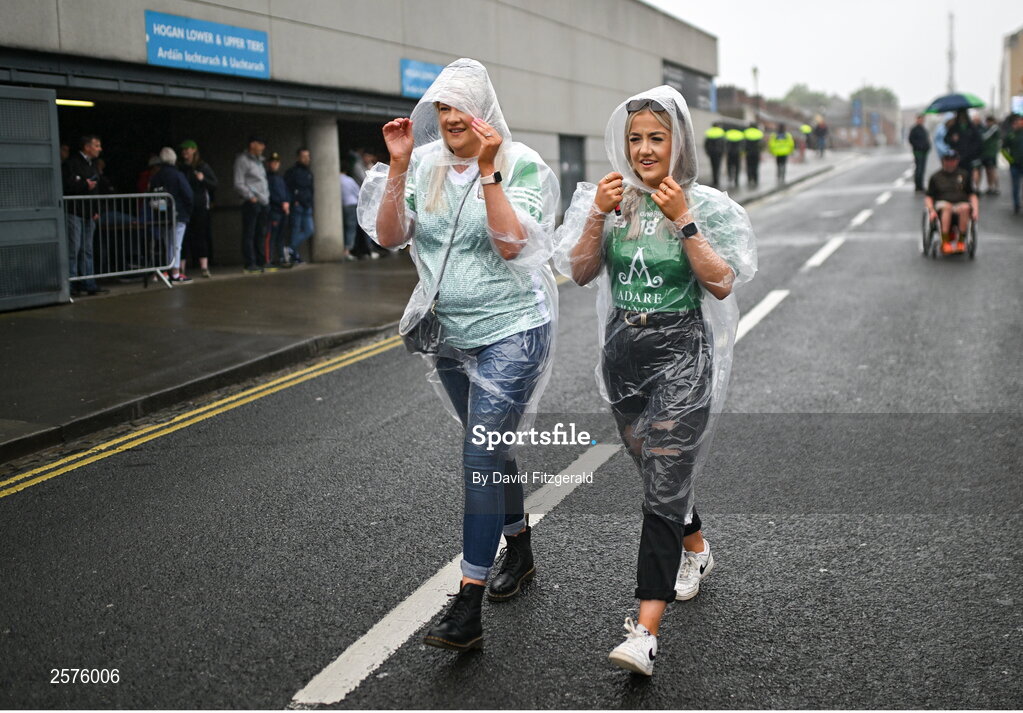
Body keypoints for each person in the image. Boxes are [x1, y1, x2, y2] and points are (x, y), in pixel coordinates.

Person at [554, 86, 756, 677]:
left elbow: (721, 282)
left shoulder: (704, 204)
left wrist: (684, 220)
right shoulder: (610, 199)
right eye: (635, 138)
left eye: (656, 138)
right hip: (625, 354)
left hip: (681, 354)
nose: (643, 149)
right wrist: (595, 214)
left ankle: (644, 629)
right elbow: (583, 270)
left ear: (679, 144)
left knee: (664, 480)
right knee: (654, 471)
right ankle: (694, 546)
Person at [360, 58, 560, 652]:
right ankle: (518, 547)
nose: (449, 118)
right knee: (490, 448)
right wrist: (398, 168)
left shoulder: (522, 163)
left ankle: (467, 602)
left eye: (459, 107)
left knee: (479, 452)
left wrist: (491, 170)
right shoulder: (423, 165)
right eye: (441, 107)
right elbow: (392, 234)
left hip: (513, 328)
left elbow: (513, 243)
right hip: (449, 332)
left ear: (484, 111)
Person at [62, 134, 107, 296]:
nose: (99, 149)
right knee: (74, 249)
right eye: (97, 145)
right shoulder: (71, 164)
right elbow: (67, 184)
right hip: (75, 212)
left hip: (89, 213)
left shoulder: (92, 165)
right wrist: (83, 185)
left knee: (87, 249)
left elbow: (96, 189)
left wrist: (97, 210)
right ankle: (73, 283)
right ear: (87, 147)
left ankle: (88, 282)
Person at [148, 147, 194, 282]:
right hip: (178, 214)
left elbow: (152, 197)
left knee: (166, 243)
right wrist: (186, 211)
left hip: (161, 216)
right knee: (176, 244)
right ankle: (175, 272)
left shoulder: (156, 177)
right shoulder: (178, 175)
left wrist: (163, 210)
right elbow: (188, 195)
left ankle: (167, 271)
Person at [178, 139, 218, 278]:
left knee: (201, 236)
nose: (185, 152)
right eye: (183, 150)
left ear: (194, 150)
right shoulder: (181, 168)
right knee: (184, 238)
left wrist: (203, 179)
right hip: (185, 207)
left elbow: (214, 183)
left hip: (200, 206)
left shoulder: (202, 166)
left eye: (187, 149)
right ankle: (181, 269)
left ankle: (204, 267)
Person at [925, 150, 979, 254]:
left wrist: (975, 210)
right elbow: (929, 197)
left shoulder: (964, 175)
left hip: (960, 204)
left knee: (965, 207)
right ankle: (945, 242)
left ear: (957, 161)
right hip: (942, 204)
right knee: (947, 207)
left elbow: (972, 194)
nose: (950, 162)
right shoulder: (936, 177)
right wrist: (931, 210)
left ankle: (961, 242)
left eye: (952, 160)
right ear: (943, 161)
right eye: (947, 160)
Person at [233, 136, 270, 273]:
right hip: (251, 202)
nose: (263, 147)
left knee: (261, 233)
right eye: (261, 144)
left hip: (263, 201)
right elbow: (238, 183)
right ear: (252, 144)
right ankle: (250, 263)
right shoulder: (243, 160)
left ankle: (261, 261)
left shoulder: (259, 162)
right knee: (249, 233)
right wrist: (251, 197)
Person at [285, 147, 314, 264]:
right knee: (295, 230)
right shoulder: (292, 172)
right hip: (297, 205)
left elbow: (311, 189)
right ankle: (293, 255)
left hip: (307, 205)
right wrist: (293, 200)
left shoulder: (309, 172)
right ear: (298, 157)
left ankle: (290, 249)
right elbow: (287, 188)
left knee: (309, 230)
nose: (306, 159)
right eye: (304, 157)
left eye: (308, 156)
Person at [266, 152, 291, 270]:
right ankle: (269, 259)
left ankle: (281, 258)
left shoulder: (280, 178)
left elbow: (286, 192)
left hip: (282, 211)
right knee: (272, 236)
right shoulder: (267, 178)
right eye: (273, 162)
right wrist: (281, 203)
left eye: (277, 163)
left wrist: (287, 203)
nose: (275, 165)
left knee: (281, 236)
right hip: (274, 210)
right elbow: (270, 194)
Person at [947, 110, 982, 187]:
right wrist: (952, 140)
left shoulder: (972, 127)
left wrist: (973, 151)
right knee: (958, 173)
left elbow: (978, 140)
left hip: (969, 155)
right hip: (959, 154)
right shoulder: (954, 128)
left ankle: (969, 187)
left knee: (969, 173)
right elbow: (947, 139)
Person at [339, 164, 360, 261]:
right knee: (351, 228)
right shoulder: (349, 180)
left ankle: (343, 249)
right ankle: (347, 250)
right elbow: (358, 192)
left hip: (340, 206)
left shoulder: (335, 179)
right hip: (351, 204)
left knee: (343, 227)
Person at [1003, 114, 1023, 214]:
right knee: (1016, 186)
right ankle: (1016, 205)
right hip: (1015, 165)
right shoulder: (1010, 135)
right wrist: (1010, 160)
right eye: (1016, 122)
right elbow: (1003, 149)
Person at [908, 115, 931, 192]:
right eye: (920, 119)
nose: (921, 120)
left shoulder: (924, 129)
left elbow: (927, 140)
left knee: (922, 169)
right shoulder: (914, 129)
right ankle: (917, 185)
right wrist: (919, 146)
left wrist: (927, 147)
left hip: (924, 152)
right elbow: (911, 140)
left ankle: (921, 185)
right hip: (918, 151)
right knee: (919, 168)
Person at [979, 115, 1001, 195]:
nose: (987, 123)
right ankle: (990, 187)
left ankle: (996, 187)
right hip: (986, 153)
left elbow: (985, 137)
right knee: (988, 171)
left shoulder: (994, 128)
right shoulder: (987, 128)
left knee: (992, 170)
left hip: (991, 153)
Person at [703, 122, 725, 187]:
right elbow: (723, 143)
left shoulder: (709, 132)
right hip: (719, 153)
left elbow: (706, 143)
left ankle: (714, 180)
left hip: (712, 153)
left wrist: (707, 151)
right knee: (718, 166)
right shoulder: (721, 132)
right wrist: (723, 151)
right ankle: (717, 180)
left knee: (713, 166)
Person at [743, 123, 764, 187]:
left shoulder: (746, 132)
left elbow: (744, 143)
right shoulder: (759, 133)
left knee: (749, 166)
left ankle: (749, 179)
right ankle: (755, 179)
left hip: (748, 152)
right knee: (755, 166)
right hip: (756, 152)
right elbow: (761, 144)